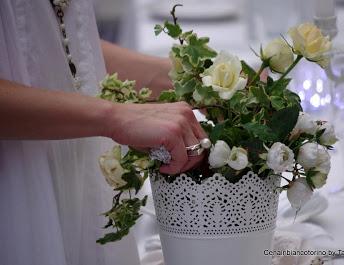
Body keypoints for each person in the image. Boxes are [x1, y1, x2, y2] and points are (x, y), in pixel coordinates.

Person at [0, 0, 206, 264]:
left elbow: (59, 39)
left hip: (76, 174)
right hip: (15, 192)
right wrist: (113, 116)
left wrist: (196, 80)